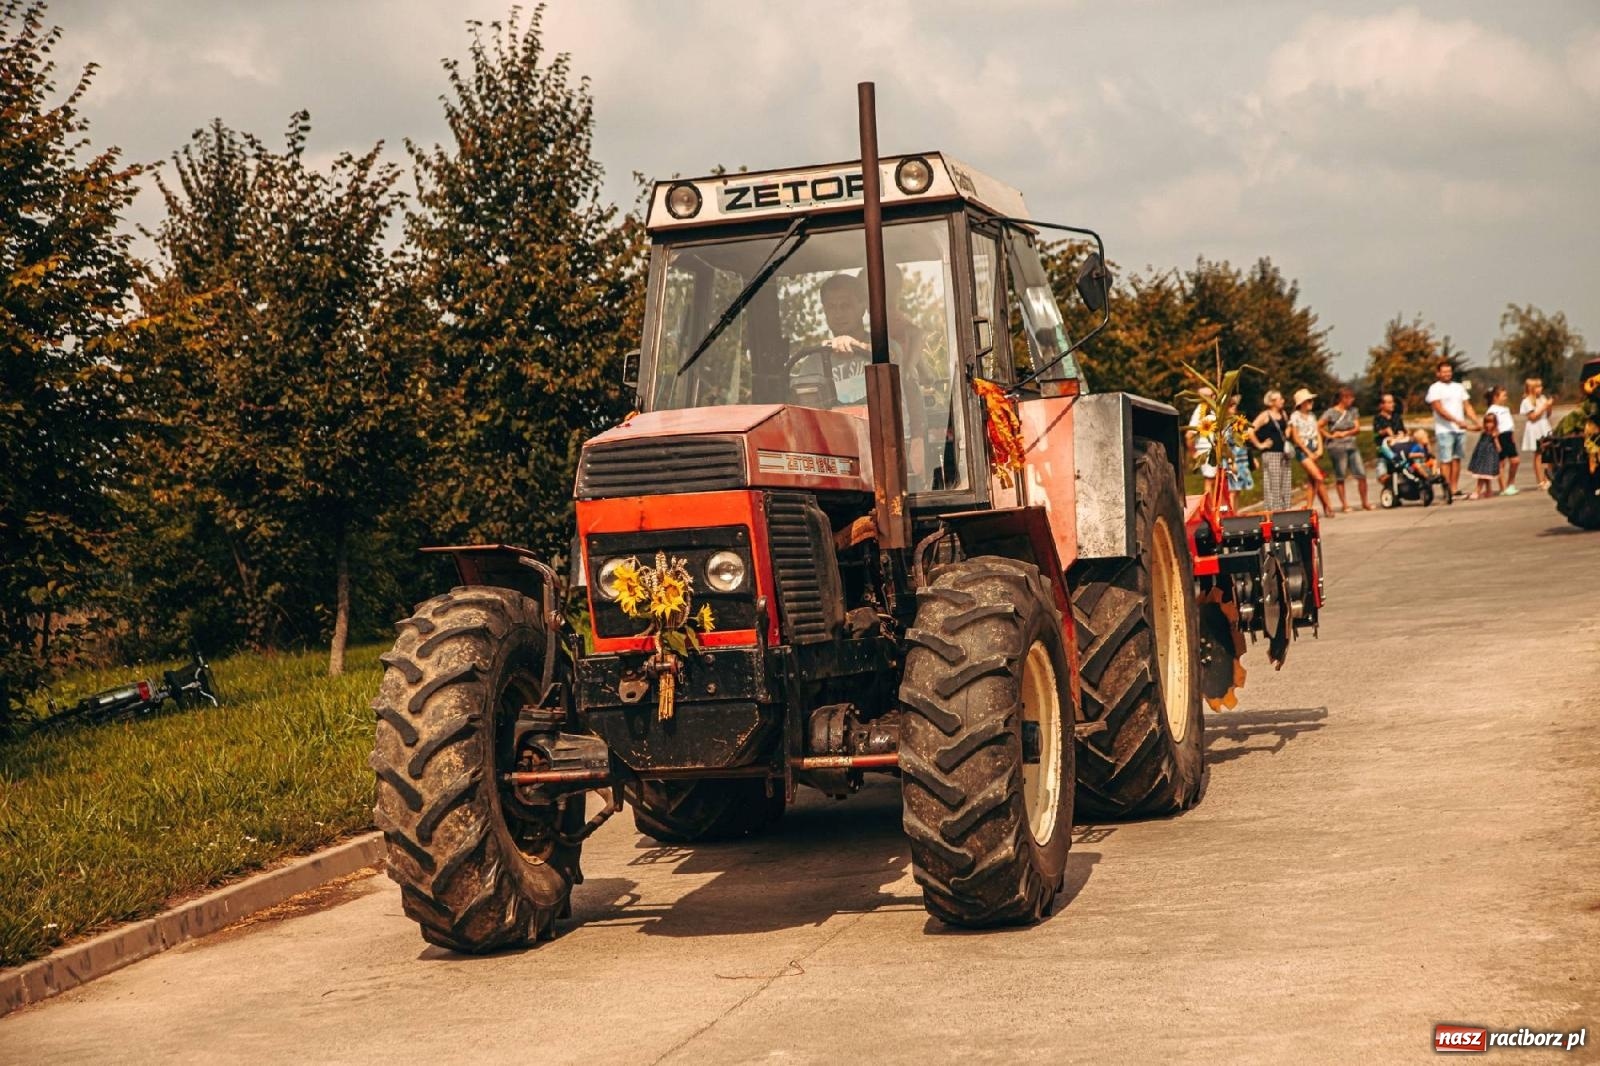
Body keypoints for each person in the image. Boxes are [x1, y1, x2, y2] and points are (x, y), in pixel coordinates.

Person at [1425, 361, 1477, 497]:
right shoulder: (1435, 388)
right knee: (1446, 460)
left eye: (1449, 371)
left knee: (1456, 459)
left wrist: (1477, 422)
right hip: (1444, 430)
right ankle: (1446, 488)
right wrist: (1456, 421)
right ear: (1438, 373)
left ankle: (1454, 488)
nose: (1447, 374)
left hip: (1459, 430)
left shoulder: (1458, 387)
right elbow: (1439, 409)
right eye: (1444, 371)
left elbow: (1467, 406)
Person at [1319, 386, 1371, 511]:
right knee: (1340, 475)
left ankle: (1365, 502)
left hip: (1351, 444)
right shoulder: (1331, 412)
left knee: (1361, 474)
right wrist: (1330, 435)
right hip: (1337, 446)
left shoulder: (1353, 411)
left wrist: (1344, 433)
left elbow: (1357, 428)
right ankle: (1345, 504)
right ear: (1343, 398)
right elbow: (1319, 426)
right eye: (1350, 397)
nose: (1352, 400)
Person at [1288, 388, 1336, 517]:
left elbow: (1317, 433)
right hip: (1303, 449)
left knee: (1313, 480)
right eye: (1308, 400)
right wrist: (1307, 451)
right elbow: (1296, 437)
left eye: (1311, 400)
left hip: (1314, 447)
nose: (1311, 402)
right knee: (1318, 476)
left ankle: (1318, 508)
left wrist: (1320, 448)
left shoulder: (1312, 416)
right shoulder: (1295, 416)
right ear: (1301, 403)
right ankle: (1322, 507)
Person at [1248, 389, 1293, 512]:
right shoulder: (1265, 415)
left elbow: (1287, 427)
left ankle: (1286, 508)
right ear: (1272, 402)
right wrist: (1260, 445)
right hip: (1271, 453)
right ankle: (1274, 509)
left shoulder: (1283, 414)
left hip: (1284, 452)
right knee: (1273, 482)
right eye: (1280, 399)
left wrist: (1288, 433)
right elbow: (1250, 430)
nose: (1283, 401)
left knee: (1286, 480)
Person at [1520, 378, 1555, 488]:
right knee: (1538, 454)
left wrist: (1549, 407)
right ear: (1532, 389)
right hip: (1535, 427)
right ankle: (1540, 480)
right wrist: (1544, 406)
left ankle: (1549, 477)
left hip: (1544, 425)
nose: (1541, 389)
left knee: (1549, 453)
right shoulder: (1527, 401)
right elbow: (1533, 417)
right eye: (1538, 387)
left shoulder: (1542, 398)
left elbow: (1548, 415)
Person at [1484, 386, 1519, 495]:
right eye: (1503, 396)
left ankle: (1510, 483)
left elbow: (1509, 424)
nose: (1505, 398)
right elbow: (1491, 426)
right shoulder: (1492, 410)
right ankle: (1503, 487)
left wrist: (1512, 435)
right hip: (1499, 436)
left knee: (1515, 461)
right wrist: (1496, 441)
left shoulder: (1506, 409)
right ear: (1496, 397)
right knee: (1501, 463)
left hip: (1508, 435)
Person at [1186, 386, 1217, 488]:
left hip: (1215, 448)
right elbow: (1189, 434)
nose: (1213, 397)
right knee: (1210, 479)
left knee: (1216, 480)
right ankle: (1209, 504)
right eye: (1210, 396)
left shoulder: (1213, 409)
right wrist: (1193, 452)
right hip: (1206, 449)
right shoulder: (1200, 411)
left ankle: (1215, 503)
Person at [1467, 411, 1503, 499]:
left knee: (1482, 475)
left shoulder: (1495, 433)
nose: (1488, 425)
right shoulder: (1483, 430)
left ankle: (1477, 491)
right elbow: (1475, 428)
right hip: (1481, 455)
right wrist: (1466, 427)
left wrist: (1495, 439)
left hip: (1489, 457)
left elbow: (1499, 448)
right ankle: (1489, 491)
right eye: (1487, 422)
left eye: (1491, 422)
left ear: (1495, 423)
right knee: (1485, 475)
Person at [1224, 394, 1254, 494]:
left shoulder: (1236, 422)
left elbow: (1242, 442)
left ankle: (1236, 510)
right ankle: (1233, 510)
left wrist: (1251, 459)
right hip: (1233, 459)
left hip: (1241, 459)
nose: (1234, 407)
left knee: (1238, 490)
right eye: (1231, 406)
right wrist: (1231, 462)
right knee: (1233, 490)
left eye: (1234, 405)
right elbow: (1225, 445)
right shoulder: (1225, 425)